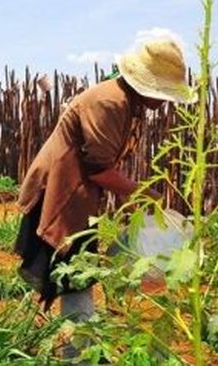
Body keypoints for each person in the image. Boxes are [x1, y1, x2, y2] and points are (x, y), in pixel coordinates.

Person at [14, 38, 195, 326]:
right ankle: (80, 350)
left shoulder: (127, 102)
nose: (165, 102)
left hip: (78, 193)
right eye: (163, 93)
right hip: (62, 192)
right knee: (76, 272)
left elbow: (104, 164)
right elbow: (98, 169)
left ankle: (77, 340)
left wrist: (133, 200)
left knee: (74, 269)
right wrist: (143, 193)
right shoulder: (110, 102)